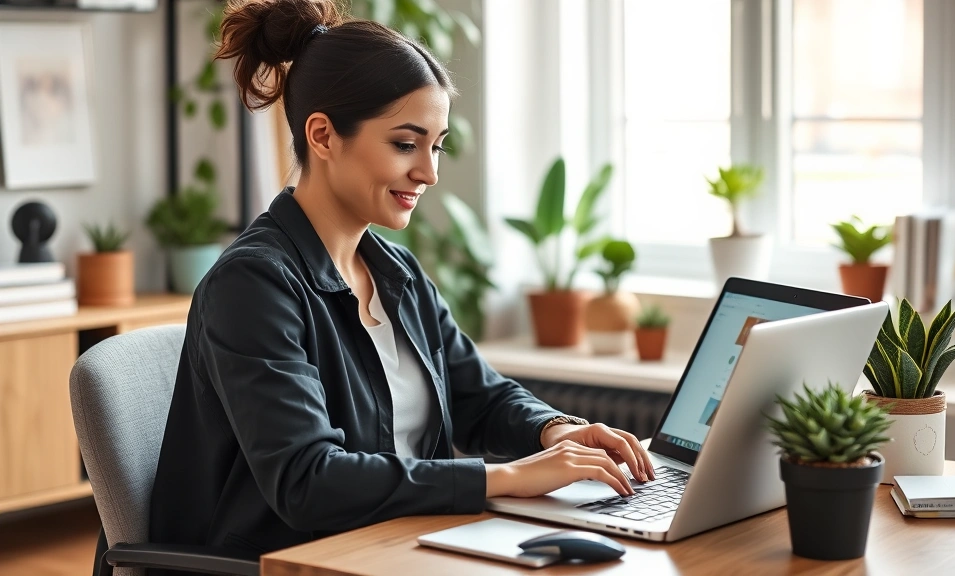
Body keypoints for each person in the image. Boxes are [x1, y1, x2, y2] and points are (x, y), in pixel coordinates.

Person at [148, 0, 655, 564]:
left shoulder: (396, 272)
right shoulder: (253, 285)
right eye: (405, 144)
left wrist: (556, 432)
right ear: (322, 135)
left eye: (436, 146)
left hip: (400, 545)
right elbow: (308, 481)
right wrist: (508, 476)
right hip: (295, 562)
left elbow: (479, 398)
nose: (429, 173)